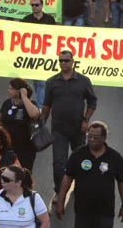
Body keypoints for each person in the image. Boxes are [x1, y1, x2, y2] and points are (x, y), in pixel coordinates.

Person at [41, 50, 97, 197]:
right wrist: (40, 125)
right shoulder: (52, 82)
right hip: (59, 130)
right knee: (59, 164)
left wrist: (86, 120)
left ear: (73, 61)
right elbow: (46, 105)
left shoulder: (83, 81)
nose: (63, 63)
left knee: (81, 161)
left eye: (66, 60)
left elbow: (92, 101)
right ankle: (60, 192)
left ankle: (80, 188)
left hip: (78, 129)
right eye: (60, 60)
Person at [56, 121, 123, 227]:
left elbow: (122, 182)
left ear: (104, 138)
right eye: (89, 136)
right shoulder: (78, 155)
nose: (91, 140)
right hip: (82, 212)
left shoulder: (115, 158)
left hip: (105, 213)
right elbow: (67, 178)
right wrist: (60, 202)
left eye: (96, 137)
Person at [0, 79, 40, 170]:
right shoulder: (7, 103)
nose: (8, 90)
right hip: (7, 147)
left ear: (19, 91)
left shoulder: (30, 104)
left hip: (25, 149)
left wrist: (24, 96)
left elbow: (35, 114)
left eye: (11, 89)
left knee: (22, 175)